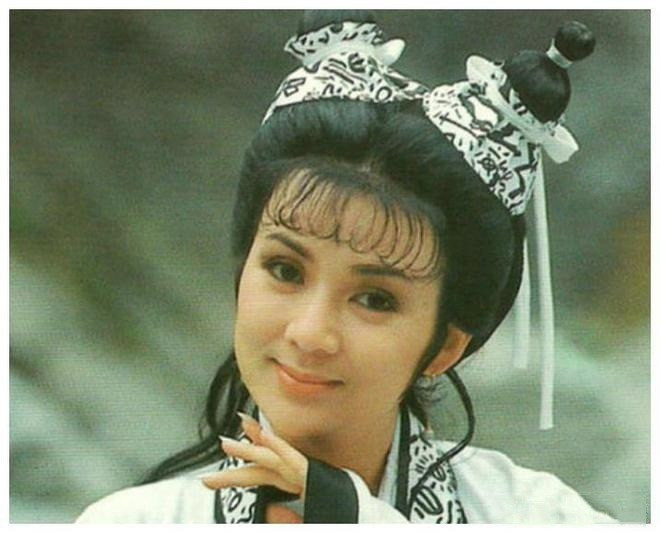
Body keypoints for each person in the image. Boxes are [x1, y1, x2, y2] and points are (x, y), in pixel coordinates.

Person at [75, 11, 616, 524]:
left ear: (446, 346)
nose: (310, 334)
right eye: (285, 270)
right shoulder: (133, 522)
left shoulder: (535, 516)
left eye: (375, 299)